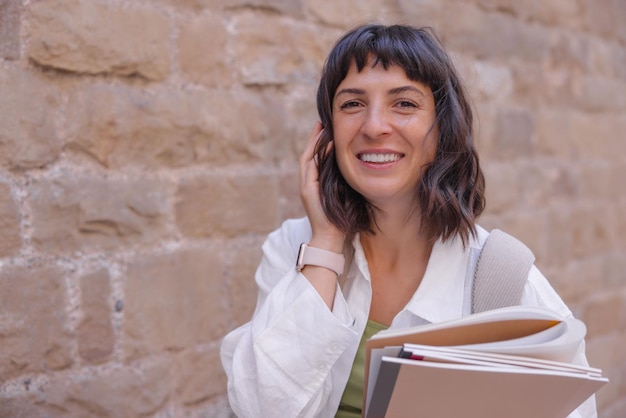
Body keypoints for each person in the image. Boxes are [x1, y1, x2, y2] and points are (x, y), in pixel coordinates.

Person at [220, 24, 597, 418]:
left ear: (443, 129)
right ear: (326, 135)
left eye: (404, 104)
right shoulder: (295, 247)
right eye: (352, 104)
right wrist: (327, 243)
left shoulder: (503, 278)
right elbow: (261, 408)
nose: (373, 126)